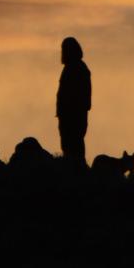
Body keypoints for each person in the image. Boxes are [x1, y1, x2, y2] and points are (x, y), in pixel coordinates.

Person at [56, 37, 91, 170]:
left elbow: (82, 97)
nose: (63, 53)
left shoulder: (78, 68)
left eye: (65, 50)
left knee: (74, 147)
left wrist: (69, 111)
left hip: (73, 116)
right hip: (68, 116)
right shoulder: (73, 68)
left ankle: (77, 171)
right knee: (69, 147)